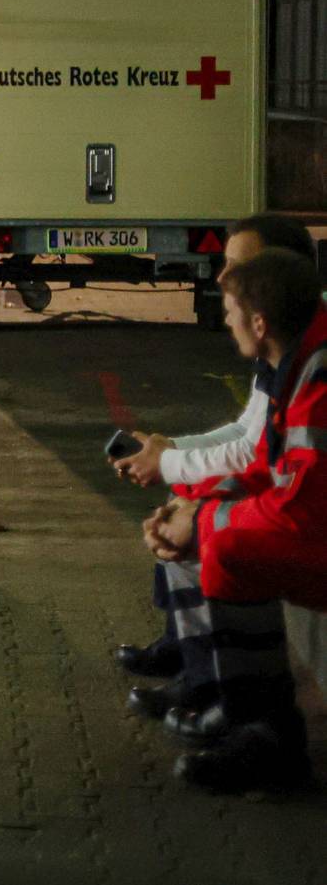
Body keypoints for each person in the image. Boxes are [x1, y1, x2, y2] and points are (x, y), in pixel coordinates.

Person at [137, 248, 327, 793]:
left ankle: (268, 736)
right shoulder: (298, 362)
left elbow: (303, 506)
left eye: (230, 310)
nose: (226, 320)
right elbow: (269, 464)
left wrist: (203, 521)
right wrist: (195, 503)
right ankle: (230, 702)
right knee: (206, 516)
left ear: (259, 322)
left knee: (228, 546)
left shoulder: (316, 376)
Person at [110, 216, 315, 706]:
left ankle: (228, 695)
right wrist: (169, 451)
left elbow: (258, 456)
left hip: (303, 515)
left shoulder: (307, 355)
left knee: (204, 525)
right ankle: (191, 652)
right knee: (190, 496)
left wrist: (175, 471)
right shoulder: (290, 341)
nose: (222, 279)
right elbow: (250, 434)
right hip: (296, 502)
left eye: (237, 268)